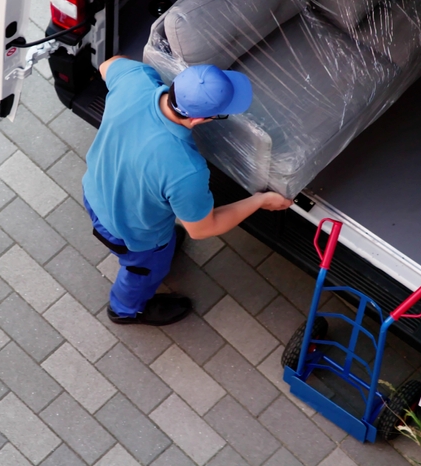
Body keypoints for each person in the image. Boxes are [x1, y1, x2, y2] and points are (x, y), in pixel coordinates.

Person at [82, 56, 293, 326]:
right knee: (142, 271)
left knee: (163, 243)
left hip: (95, 191)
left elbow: (107, 64)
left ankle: (163, 249)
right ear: (198, 120)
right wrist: (259, 200)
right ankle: (126, 310)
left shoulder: (136, 81)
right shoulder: (186, 170)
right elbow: (203, 229)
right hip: (134, 234)